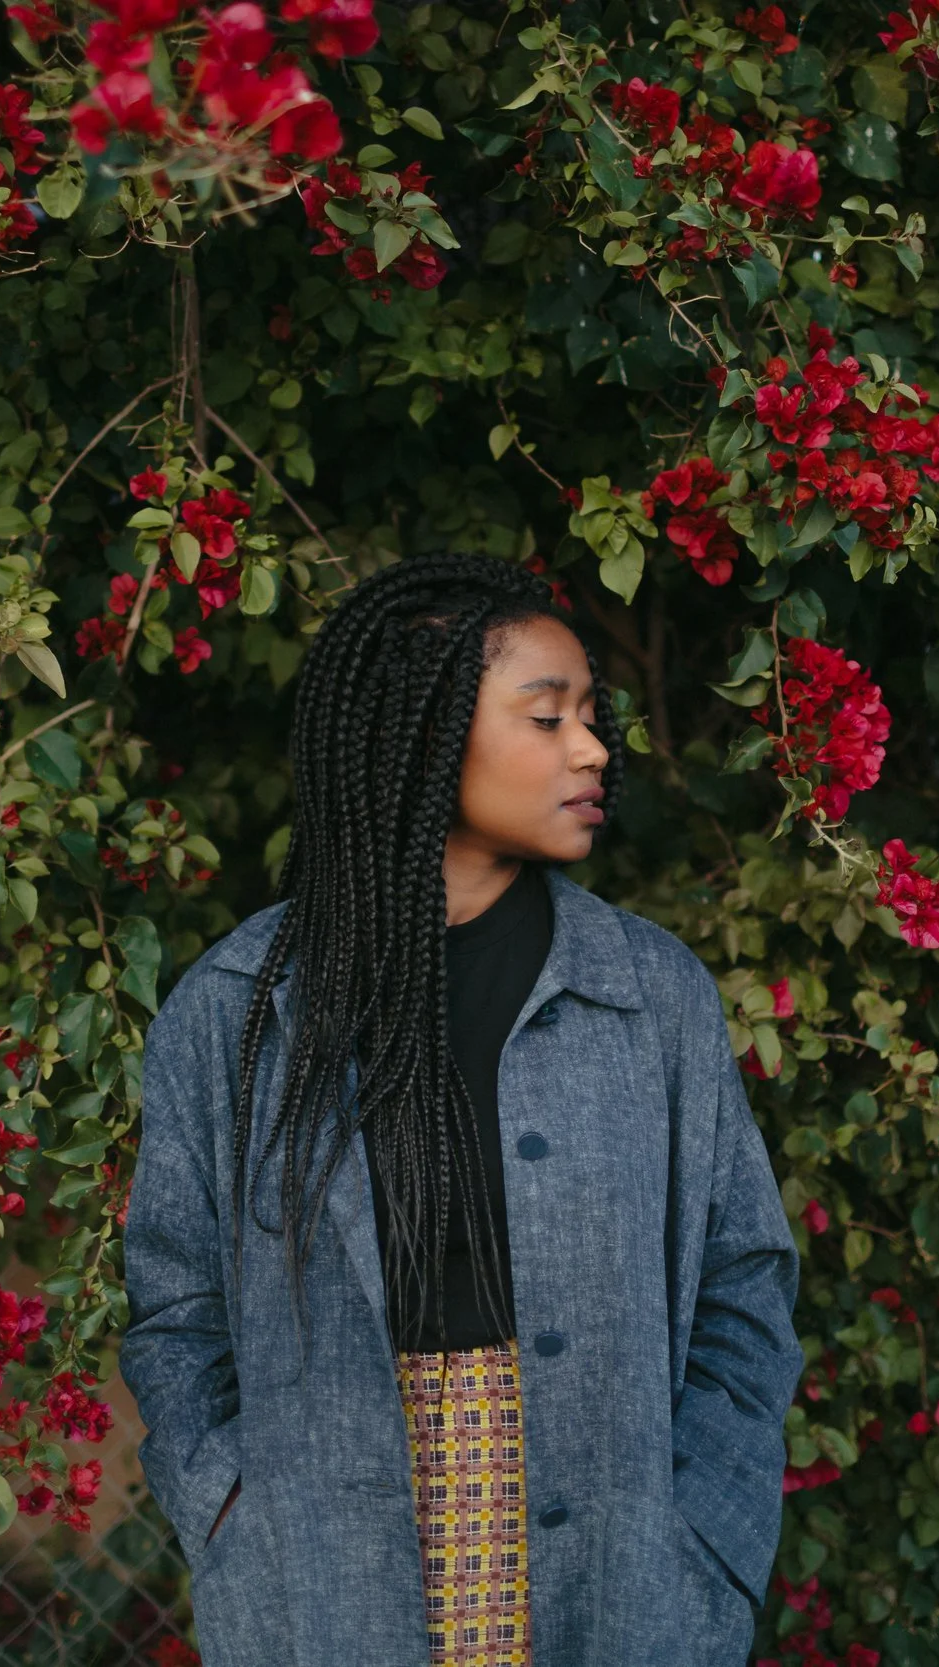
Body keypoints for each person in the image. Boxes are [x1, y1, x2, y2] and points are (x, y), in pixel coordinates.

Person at [121, 552, 803, 1666]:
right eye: (547, 717)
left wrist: (708, 1524)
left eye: (593, 716)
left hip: (620, 1559)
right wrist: (228, 1508)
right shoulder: (240, 1010)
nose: (591, 748)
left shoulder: (647, 991)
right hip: (324, 1567)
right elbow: (174, 1305)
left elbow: (744, 1277)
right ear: (420, 737)